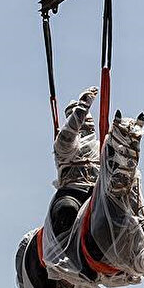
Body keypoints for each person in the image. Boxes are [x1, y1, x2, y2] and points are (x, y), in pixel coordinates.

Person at [49, 86, 100, 239]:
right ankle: (63, 251)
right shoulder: (63, 144)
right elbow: (70, 132)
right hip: (73, 192)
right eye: (84, 122)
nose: (88, 127)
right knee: (67, 209)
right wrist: (83, 107)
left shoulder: (100, 145)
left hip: (97, 194)